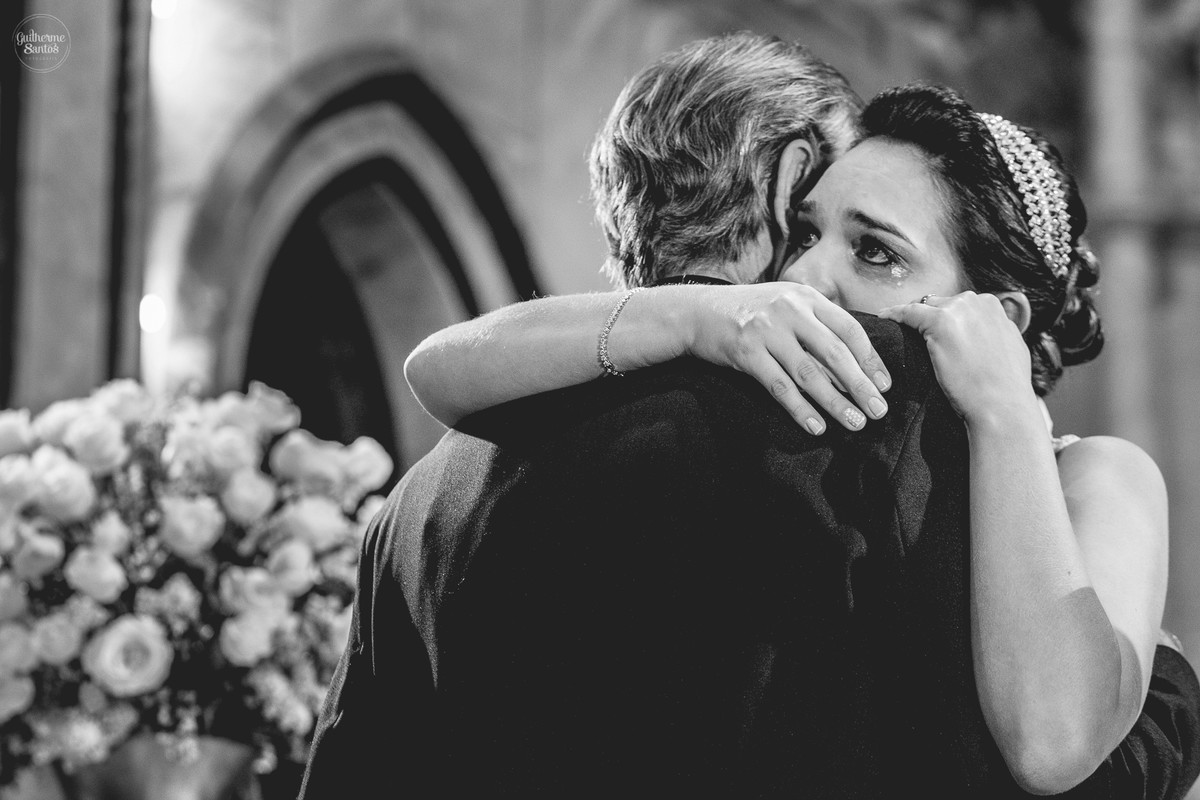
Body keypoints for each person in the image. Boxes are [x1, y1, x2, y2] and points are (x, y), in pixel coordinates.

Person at [301, 33, 1200, 798]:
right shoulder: (860, 420)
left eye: (875, 251)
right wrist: (1165, 704)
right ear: (784, 182)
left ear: (996, 319)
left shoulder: (424, 493)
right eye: (807, 232)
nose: (808, 277)